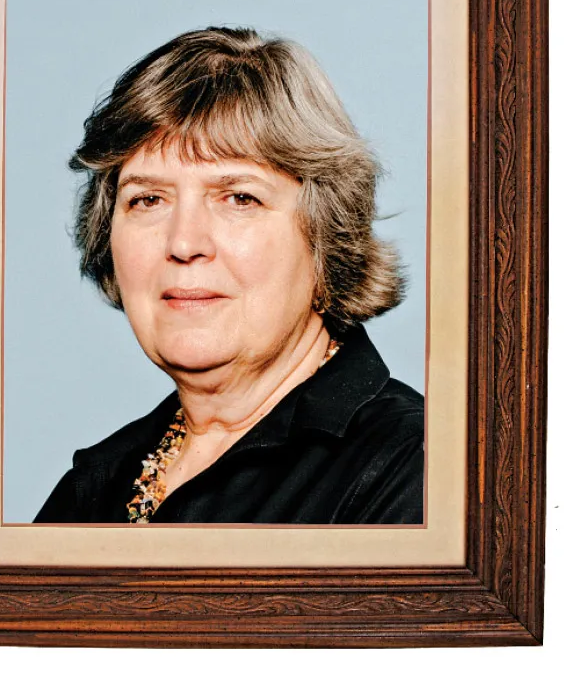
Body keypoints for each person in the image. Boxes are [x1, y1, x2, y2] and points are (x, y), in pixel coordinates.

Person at [34, 26, 424, 525]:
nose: (183, 243)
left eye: (240, 198)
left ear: (325, 237)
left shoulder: (414, 471)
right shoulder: (94, 486)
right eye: (148, 199)